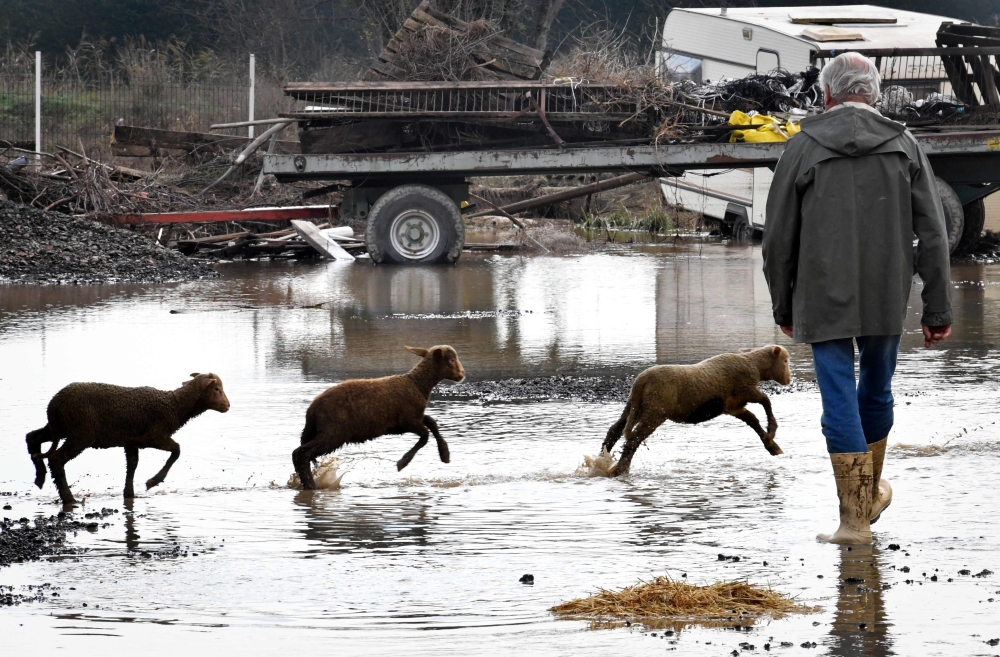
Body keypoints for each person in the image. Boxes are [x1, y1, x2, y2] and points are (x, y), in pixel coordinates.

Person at [763, 52, 953, 545]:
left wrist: (783, 304)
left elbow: (778, 238)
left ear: (826, 94)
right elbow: (933, 233)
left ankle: (853, 520)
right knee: (876, 390)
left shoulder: (803, 147)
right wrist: (937, 308)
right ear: (873, 92)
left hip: (820, 292)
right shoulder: (903, 144)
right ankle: (866, 503)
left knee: (838, 398)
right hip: (887, 290)